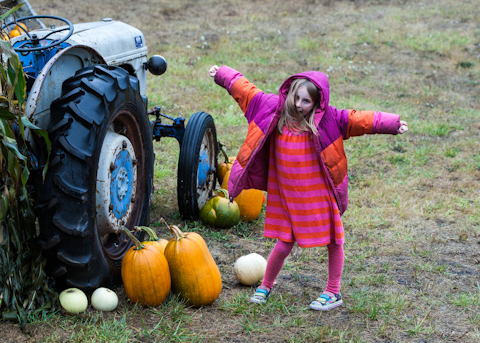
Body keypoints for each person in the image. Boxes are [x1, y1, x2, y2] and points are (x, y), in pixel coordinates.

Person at [208, 65, 408, 311]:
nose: (299, 104)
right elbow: (245, 91)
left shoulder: (329, 120)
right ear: (289, 92)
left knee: (334, 241)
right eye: (296, 97)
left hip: (318, 195)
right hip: (288, 195)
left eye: (306, 101)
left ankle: (333, 291)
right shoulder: (271, 109)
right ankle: (266, 285)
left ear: (316, 103)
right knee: (284, 242)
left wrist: (392, 123)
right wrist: (223, 74)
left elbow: (360, 120)